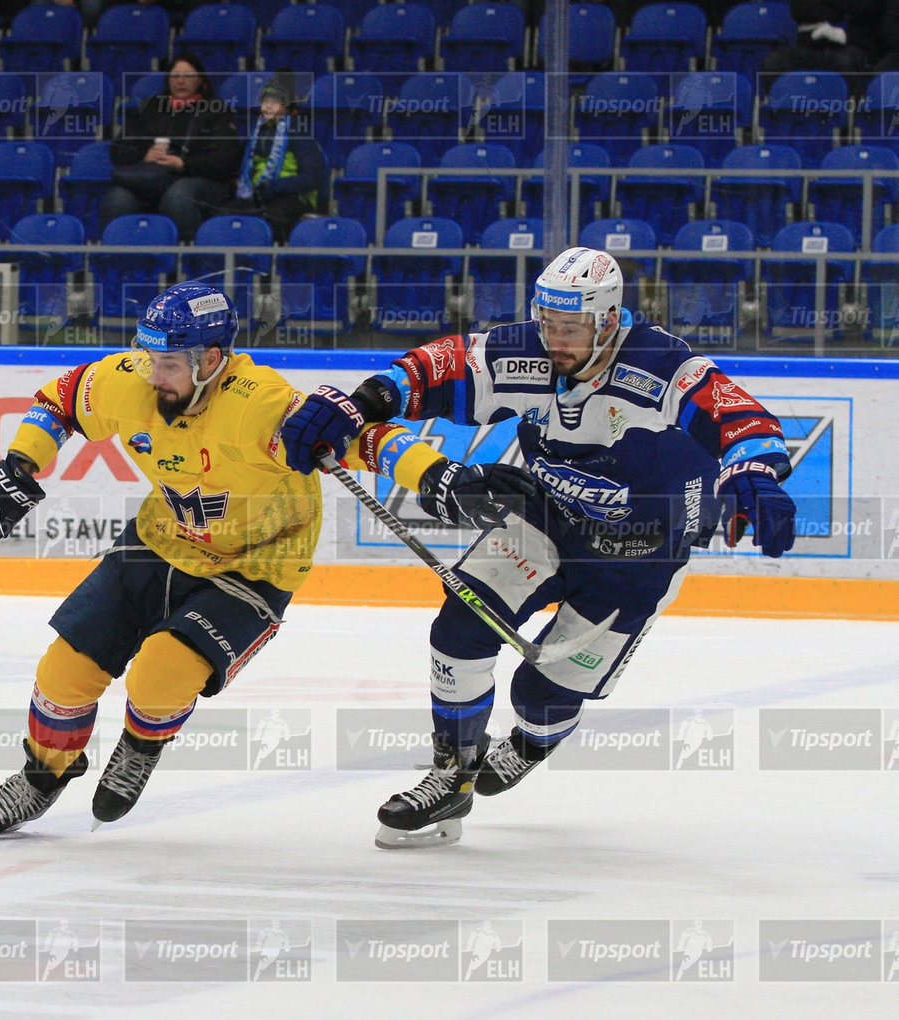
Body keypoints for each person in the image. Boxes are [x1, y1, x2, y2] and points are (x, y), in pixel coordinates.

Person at [0, 280, 533, 836]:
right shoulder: (133, 376)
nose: (153, 376)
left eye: (170, 364)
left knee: (160, 675)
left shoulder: (262, 406)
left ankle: (141, 747)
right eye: (149, 358)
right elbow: (57, 403)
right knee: (64, 670)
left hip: (257, 562)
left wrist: (436, 473)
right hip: (161, 539)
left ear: (211, 360)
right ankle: (42, 776)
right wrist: (18, 466)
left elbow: (369, 441)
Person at [279, 247, 798, 848]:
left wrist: (755, 471)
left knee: (543, 694)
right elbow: (427, 370)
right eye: (548, 324)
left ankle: (532, 740)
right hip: (545, 520)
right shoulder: (525, 349)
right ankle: (452, 772)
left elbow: (739, 417)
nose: (555, 341)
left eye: (570, 328)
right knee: (459, 627)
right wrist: (358, 404)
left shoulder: (661, 364)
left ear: (607, 320)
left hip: (641, 554)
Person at [101, 53, 242, 243]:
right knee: (117, 199)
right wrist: (145, 155)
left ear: (200, 80)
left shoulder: (216, 110)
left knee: (177, 197)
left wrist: (184, 164)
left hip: (200, 180)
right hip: (152, 178)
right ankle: (120, 263)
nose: (181, 81)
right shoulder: (152, 107)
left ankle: (186, 264)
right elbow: (118, 149)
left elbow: (227, 158)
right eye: (175, 76)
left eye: (188, 76)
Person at [218, 70, 324, 244]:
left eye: (274, 102)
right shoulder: (256, 133)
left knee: (273, 216)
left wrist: (274, 187)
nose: (267, 107)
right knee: (225, 214)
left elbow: (312, 177)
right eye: (265, 101)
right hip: (258, 195)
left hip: (290, 196)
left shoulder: (299, 134)